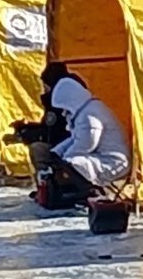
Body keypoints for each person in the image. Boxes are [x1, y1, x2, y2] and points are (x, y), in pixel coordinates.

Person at [32, 77, 131, 205]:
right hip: (104, 158)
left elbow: (87, 144)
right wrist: (56, 152)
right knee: (69, 162)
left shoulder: (90, 115)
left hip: (113, 163)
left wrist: (64, 158)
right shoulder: (87, 111)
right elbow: (75, 138)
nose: (63, 113)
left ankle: (91, 192)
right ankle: (75, 191)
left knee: (73, 163)